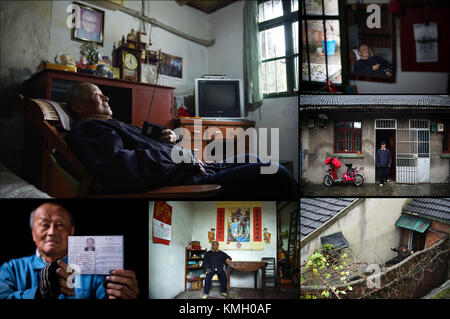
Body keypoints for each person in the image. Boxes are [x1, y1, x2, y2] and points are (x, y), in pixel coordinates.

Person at [65, 82, 298, 198]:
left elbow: (147, 147)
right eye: (97, 94)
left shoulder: (113, 124)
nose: (106, 97)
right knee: (275, 172)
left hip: (194, 168)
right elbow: (123, 167)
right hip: (182, 181)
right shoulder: (90, 129)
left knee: (252, 157)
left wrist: (168, 139)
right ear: (77, 106)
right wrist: (179, 157)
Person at [0, 203, 139, 299]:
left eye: (59, 225)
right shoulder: (11, 269)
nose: (51, 232)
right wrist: (38, 293)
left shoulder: (94, 269)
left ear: (71, 231)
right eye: (45, 225)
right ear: (32, 232)